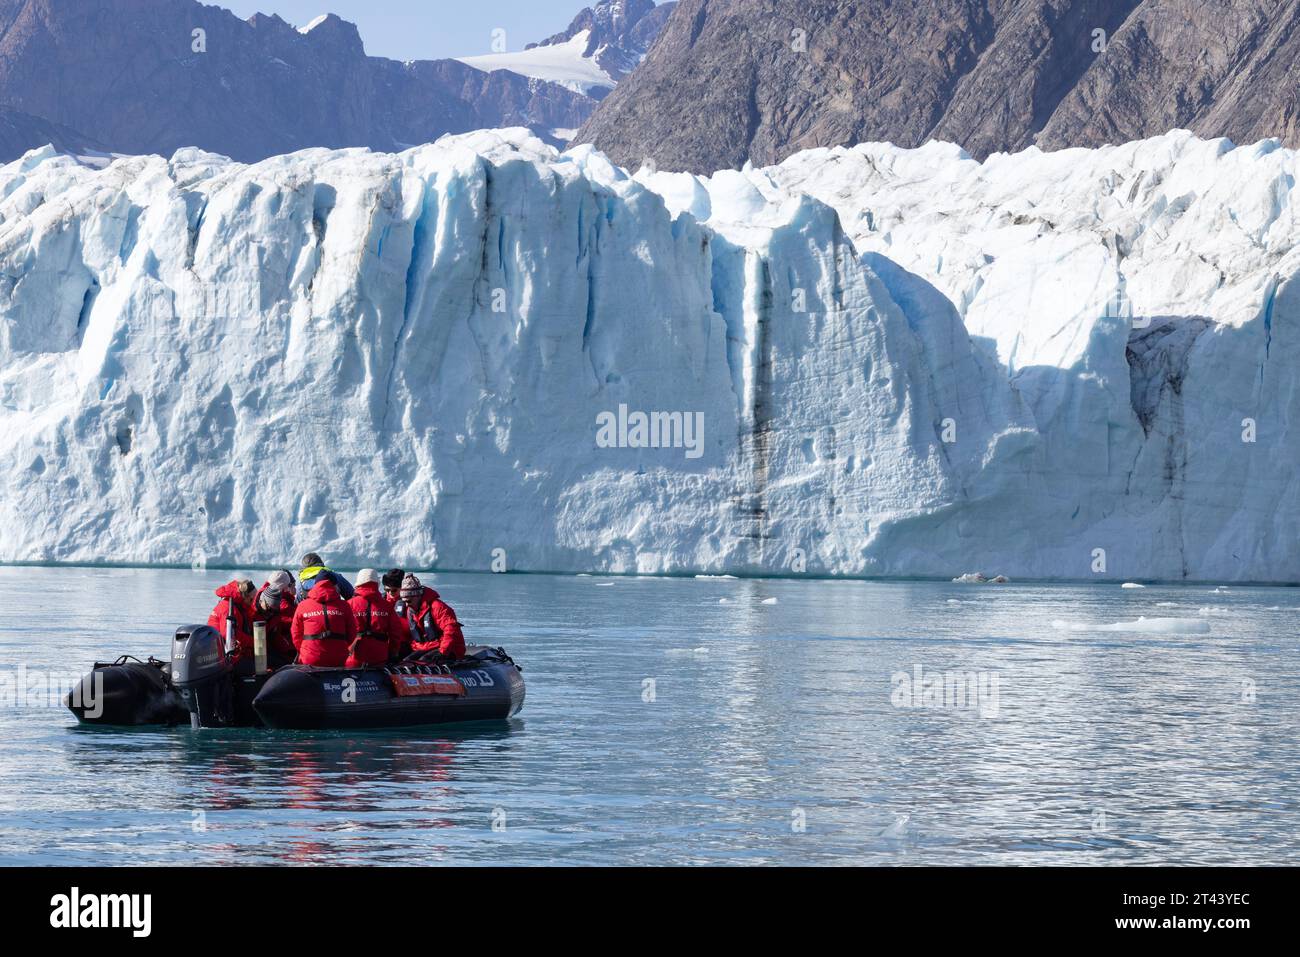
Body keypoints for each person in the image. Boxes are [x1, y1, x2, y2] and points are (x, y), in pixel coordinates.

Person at [345, 569, 408, 668]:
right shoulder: (387, 606)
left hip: (353, 658)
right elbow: (396, 633)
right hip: (379, 659)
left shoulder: (349, 604)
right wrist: (393, 654)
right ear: (377, 584)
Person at [290, 575, 357, 667]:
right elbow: (352, 633)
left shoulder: (303, 605)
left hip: (309, 659)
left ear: (315, 585)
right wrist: (341, 647)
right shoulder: (344, 606)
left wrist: (305, 650)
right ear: (335, 586)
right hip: (338, 658)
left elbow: (295, 634)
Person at [399, 573, 466, 660]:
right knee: (406, 660)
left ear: (418, 596)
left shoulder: (438, 607)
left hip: (448, 648)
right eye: (404, 602)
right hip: (427, 647)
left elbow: (451, 629)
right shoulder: (411, 610)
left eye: (409, 601)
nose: (407, 605)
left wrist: (443, 652)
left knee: (424, 660)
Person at [254, 572, 298, 668]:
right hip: (259, 649)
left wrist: (288, 650)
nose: (287, 589)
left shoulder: (275, 604)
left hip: (269, 645)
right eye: (287, 586)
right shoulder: (272, 599)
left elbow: (275, 632)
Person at [206, 579, 256, 659]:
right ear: (246, 597)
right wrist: (253, 642)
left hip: (226, 650)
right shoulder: (228, 608)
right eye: (251, 600)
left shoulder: (235, 604)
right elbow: (228, 634)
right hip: (224, 654)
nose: (252, 603)